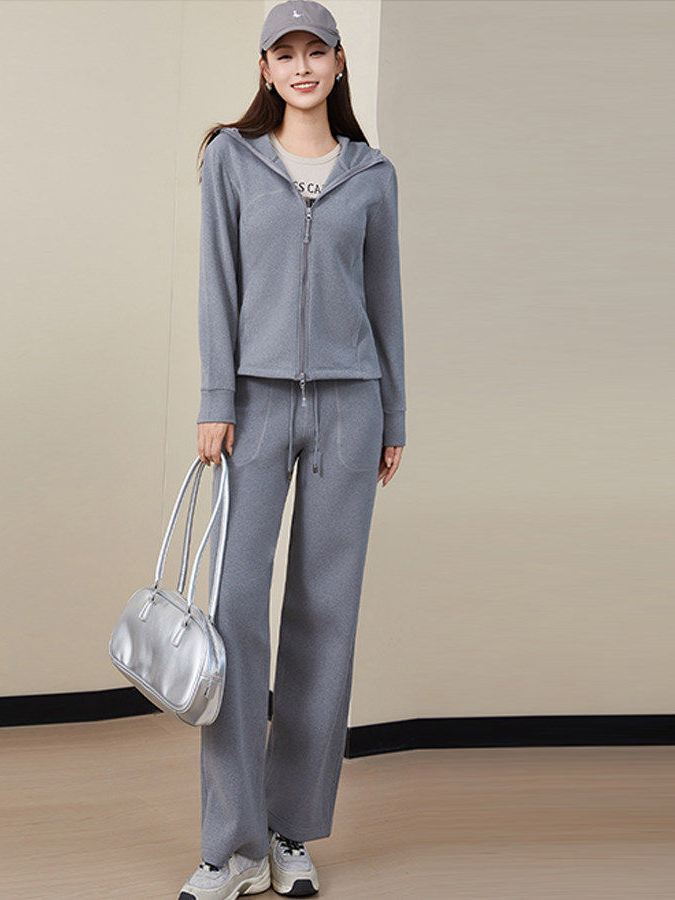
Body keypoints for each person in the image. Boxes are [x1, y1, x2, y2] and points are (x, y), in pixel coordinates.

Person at [179, 2, 406, 897]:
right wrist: (215, 398)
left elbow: (385, 299)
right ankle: (231, 845)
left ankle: (290, 830)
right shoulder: (231, 160)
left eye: (318, 52)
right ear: (265, 68)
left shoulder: (373, 175)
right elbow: (216, 283)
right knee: (235, 614)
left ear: (340, 64)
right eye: (287, 53)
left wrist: (395, 416)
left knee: (326, 618)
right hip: (255, 406)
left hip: (352, 407)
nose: (303, 67)